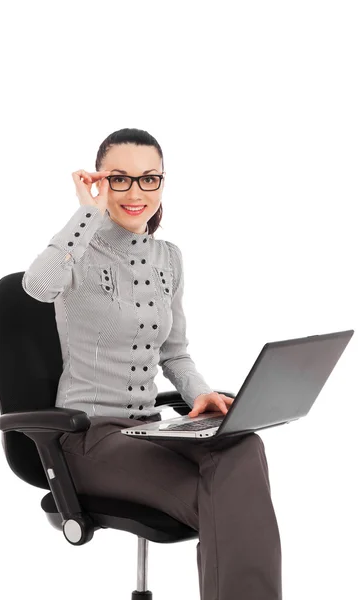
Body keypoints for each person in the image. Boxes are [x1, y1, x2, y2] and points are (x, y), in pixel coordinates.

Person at [22, 127, 282, 599]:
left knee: (243, 446)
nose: (135, 192)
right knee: (226, 502)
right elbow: (37, 286)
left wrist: (197, 393)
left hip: (152, 428)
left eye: (149, 179)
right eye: (119, 179)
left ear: (163, 183)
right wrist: (86, 212)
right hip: (89, 440)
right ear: (100, 182)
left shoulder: (170, 258)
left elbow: (175, 352)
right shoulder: (78, 251)